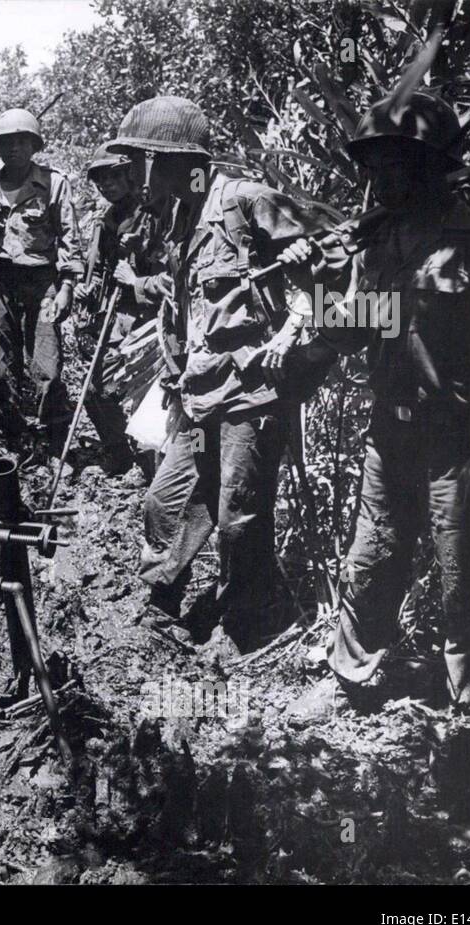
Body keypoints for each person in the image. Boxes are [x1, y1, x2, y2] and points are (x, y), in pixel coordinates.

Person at [271, 92, 470, 722]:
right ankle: (351, 678)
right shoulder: (380, 245)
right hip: (391, 434)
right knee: (373, 557)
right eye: (376, 165)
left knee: (466, 573)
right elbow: (363, 325)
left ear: (431, 165)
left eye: (396, 164)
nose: (380, 179)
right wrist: (314, 281)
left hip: (461, 442)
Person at [108, 96, 350, 654]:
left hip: (252, 391)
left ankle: (246, 622)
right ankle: (160, 599)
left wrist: (297, 327)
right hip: (198, 389)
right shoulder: (176, 214)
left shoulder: (245, 201)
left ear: (181, 161)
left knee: (238, 518)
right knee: (163, 503)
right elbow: (187, 309)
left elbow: (332, 256)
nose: (140, 172)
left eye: (148, 159)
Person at [0, 108, 82, 456]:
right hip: (0, 283)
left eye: (22, 141)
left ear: (34, 145)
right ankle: (14, 439)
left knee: (48, 367)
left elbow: (71, 239)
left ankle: (54, 441)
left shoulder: (54, 183)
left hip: (43, 284)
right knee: (1, 370)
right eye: (7, 143)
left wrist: (68, 287)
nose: (14, 149)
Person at [73, 150, 168, 474]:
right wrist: (88, 287)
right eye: (100, 181)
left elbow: (173, 271)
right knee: (95, 388)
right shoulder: (107, 220)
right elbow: (97, 269)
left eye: (113, 177)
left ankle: (151, 464)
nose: (107, 185)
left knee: (146, 395)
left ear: (129, 175)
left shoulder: (155, 212)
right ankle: (118, 452)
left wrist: (136, 274)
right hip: (116, 315)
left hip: (153, 316)